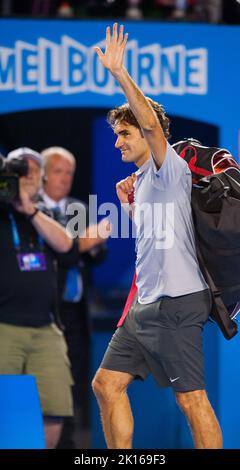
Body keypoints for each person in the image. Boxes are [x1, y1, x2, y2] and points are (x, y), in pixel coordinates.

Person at [92, 23, 223, 449]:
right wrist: (130, 200)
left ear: (151, 136)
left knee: (192, 400)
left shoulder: (172, 169)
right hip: (145, 306)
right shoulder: (144, 181)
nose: (117, 142)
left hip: (179, 303)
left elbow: (149, 124)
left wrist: (119, 74)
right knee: (106, 385)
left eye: (124, 134)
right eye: (116, 135)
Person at [0, 147, 74, 449]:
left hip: (46, 328)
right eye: (21, 173)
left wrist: (29, 208)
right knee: (6, 409)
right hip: (4, 325)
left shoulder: (46, 212)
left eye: (33, 174)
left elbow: (65, 244)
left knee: (55, 407)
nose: (28, 179)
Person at [41, 146, 111, 448]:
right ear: (43, 175)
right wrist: (80, 245)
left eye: (70, 172)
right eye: (58, 171)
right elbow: (54, 255)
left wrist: (92, 245)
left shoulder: (77, 209)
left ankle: (68, 442)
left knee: (74, 382)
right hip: (44, 311)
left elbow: (96, 255)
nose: (65, 178)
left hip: (76, 312)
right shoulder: (29, 210)